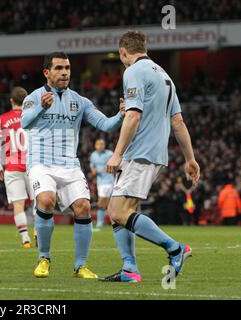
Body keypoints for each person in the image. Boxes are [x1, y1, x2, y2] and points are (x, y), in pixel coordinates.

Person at [100, 31, 200, 283]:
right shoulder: (165, 76)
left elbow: (133, 115)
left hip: (140, 152)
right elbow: (178, 121)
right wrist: (190, 159)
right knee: (120, 210)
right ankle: (129, 270)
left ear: (123, 52)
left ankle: (175, 248)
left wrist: (117, 154)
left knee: (118, 210)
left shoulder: (133, 71)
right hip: (156, 153)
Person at [21, 52, 124, 279]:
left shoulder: (80, 101)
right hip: (41, 163)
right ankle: (44, 258)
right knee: (46, 200)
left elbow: (105, 125)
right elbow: (24, 123)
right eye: (59, 68)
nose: (64, 72)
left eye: (67, 68)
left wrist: (121, 115)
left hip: (69, 164)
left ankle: (81, 266)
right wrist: (41, 108)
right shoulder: (34, 97)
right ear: (47, 72)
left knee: (84, 207)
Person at [0, 86, 34, 248]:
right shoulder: (33, 117)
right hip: (33, 166)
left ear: (11, 101)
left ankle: (25, 239)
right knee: (38, 203)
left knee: (18, 205)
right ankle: (38, 232)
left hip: (12, 167)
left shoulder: (2, 119)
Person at [90, 138, 115, 231]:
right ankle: (115, 223)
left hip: (108, 180)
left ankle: (100, 224)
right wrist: (93, 171)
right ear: (95, 146)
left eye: (102, 144)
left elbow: (116, 164)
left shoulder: (109, 154)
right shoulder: (93, 155)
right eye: (98, 144)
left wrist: (110, 168)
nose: (100, 146)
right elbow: (92, 166)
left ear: (104, 145)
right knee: (108, 204)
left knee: (101, 202)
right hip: (99, 182)